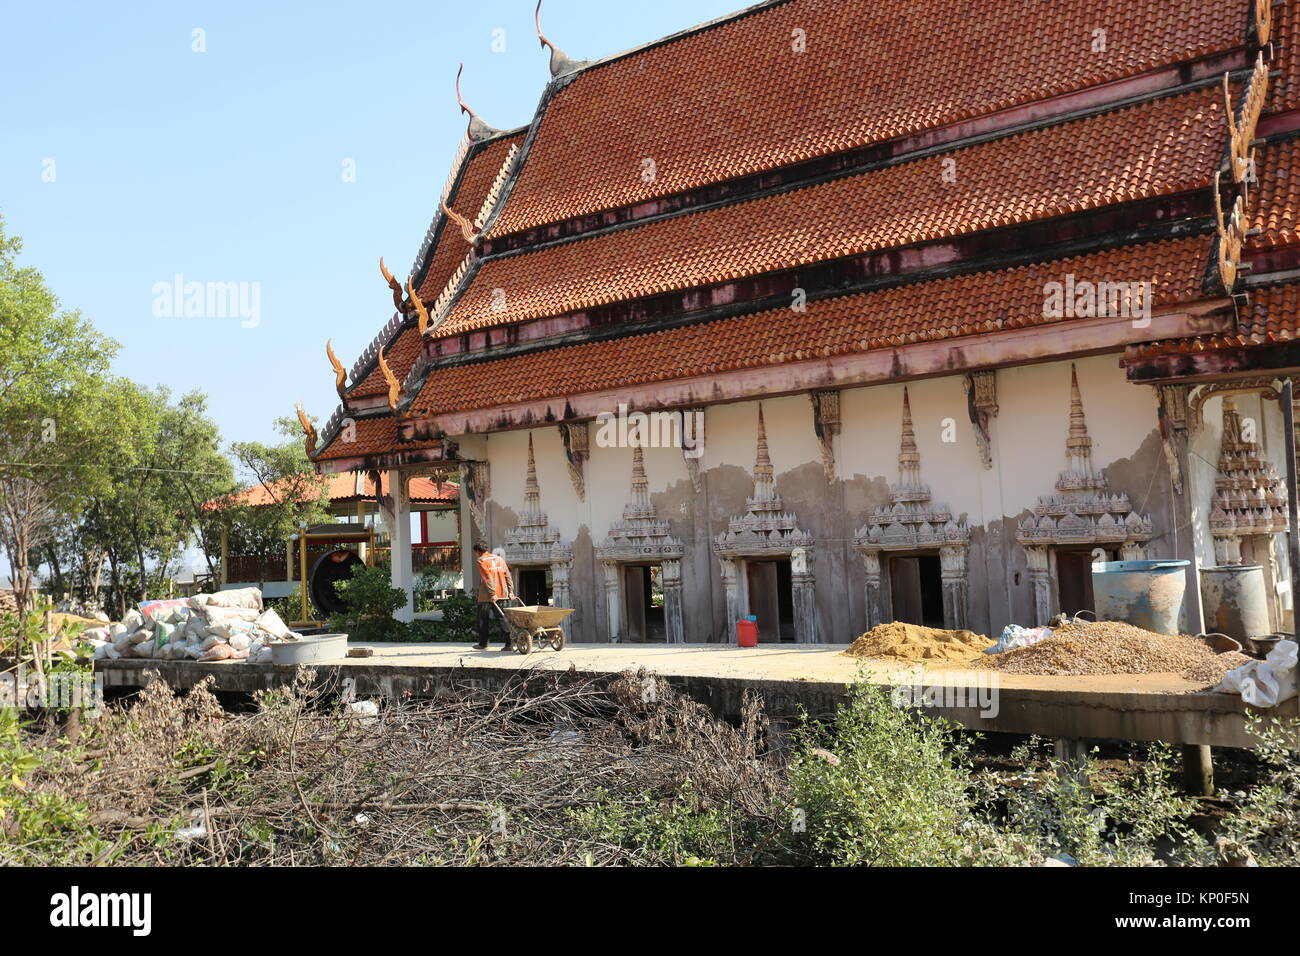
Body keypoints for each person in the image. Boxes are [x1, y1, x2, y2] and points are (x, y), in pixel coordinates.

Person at [473, 542, 519, 651]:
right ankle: (508, 644)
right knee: (503, 618)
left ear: (477, 551)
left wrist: (492, 593)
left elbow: (487, 577)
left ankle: (483, 644)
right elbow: (507, 574)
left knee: (483, 619)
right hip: (502, 593)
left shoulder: (481, 560)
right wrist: (510, 591)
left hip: (487, 596)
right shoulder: (499, 559)